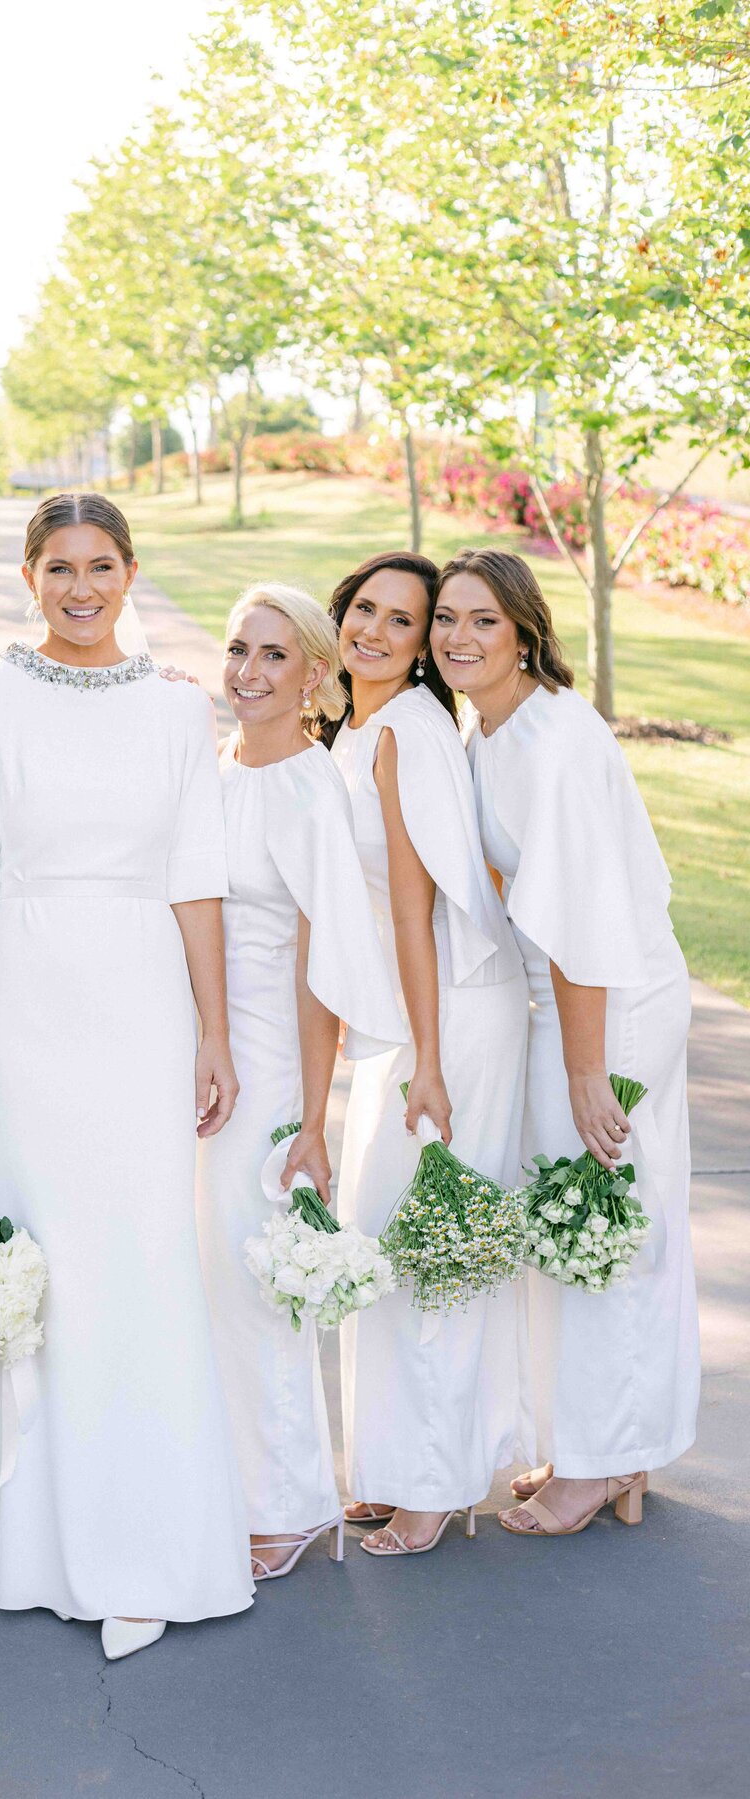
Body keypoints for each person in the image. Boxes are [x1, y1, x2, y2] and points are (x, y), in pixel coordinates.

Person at [0, 492, 252, 1660]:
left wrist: (215, 1030)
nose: (80, 585)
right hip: (25, 998)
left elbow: (197, 875)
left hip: (144, 1001)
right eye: (58, 566)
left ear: (129, 570)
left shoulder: (177, 707)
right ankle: (31, 1547)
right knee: (43, 1271)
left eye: (100, 564)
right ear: (27, 575)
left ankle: (152, 1549)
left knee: (147, 1261)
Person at [433, 546, 699, 1536]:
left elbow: (582, 919)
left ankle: (602, 1461)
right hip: (578, 993)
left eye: (484, 621)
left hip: (610, 1001)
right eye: (447, 620)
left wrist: (590, 1070)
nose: (460, 637)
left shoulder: (548, 740)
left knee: (598, 1223)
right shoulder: (495, 726)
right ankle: (602, 1441)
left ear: (525, 633)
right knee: (579, 1219)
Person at [197, 583, 404, 1582]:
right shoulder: (210, 767)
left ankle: (286, 1500)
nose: (249, 671)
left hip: (272, 1053)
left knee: (252, 1273)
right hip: (192, 1049)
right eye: (239, 648)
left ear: (315, 676)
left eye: (275, 656)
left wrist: (312, 1119)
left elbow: (322, 969)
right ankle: (223, 1481)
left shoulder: (312, 788)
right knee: (201, 1275)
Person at [327, 552, 530, 1556]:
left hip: (448, 1013)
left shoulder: (405, 728)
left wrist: (430, 1059)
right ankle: (393, 1460)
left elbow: (416, 908)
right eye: (365, 607)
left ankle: (435, 1481)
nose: (375, 628)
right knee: (385, 1236)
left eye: (401, 621)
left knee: (427, 1249)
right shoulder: (355, 724)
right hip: (404, 1015)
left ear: (418, 650)